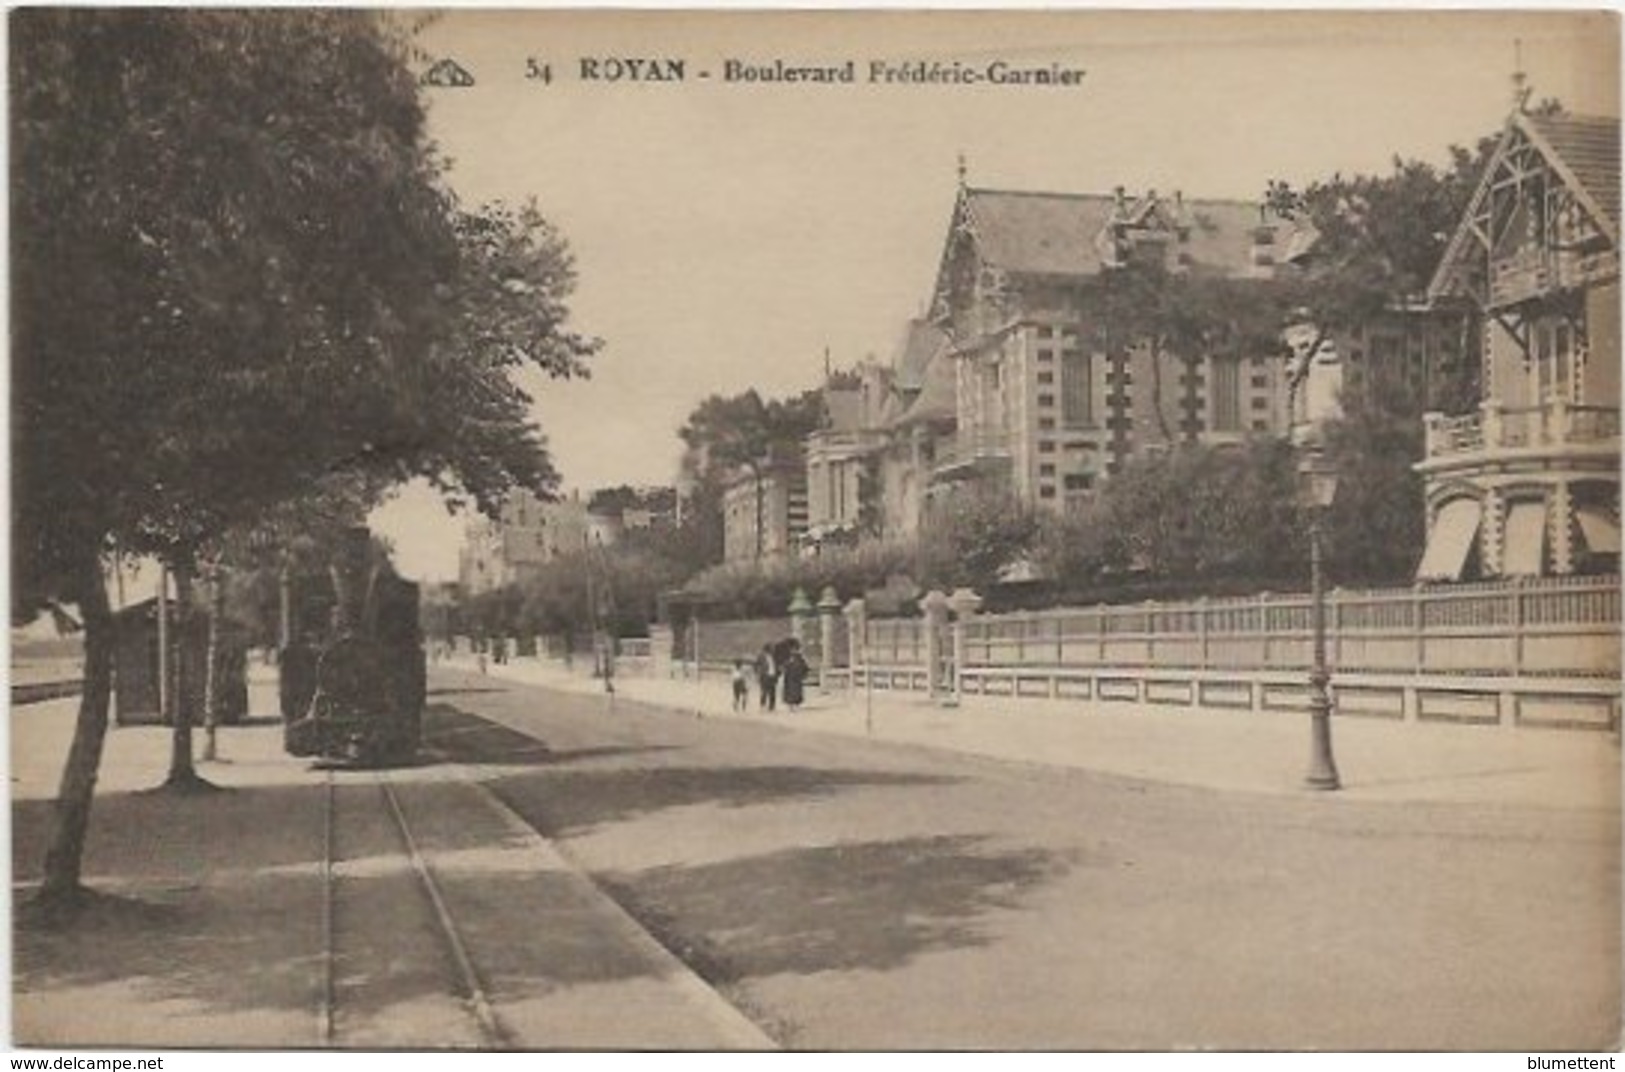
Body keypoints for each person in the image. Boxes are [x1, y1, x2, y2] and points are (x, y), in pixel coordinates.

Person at [781, 642, 809, 712]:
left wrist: (803, 674)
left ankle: (796, 704)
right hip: (790, 677)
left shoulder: (800, 658)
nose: (794, 651)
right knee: (790, 691)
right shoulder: (788, 658)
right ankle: (791, 705)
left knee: (796, 691)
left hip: (796, 678)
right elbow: (784, 666)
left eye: (795, 649)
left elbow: (805, 667)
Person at [755, 644, 778, 711]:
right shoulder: (761, 656)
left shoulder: (773, 657)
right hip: (765, 676)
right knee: (764, 691)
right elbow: (756, 665)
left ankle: (771, 707)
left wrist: (776, 674)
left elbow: (775, 666)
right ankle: (762, 706)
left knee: (772, 692)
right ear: (767, 649)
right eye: (771, 649)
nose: (773, 650)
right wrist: (758, 674)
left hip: (772, 675)